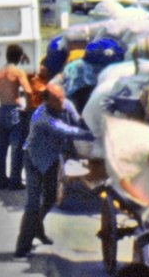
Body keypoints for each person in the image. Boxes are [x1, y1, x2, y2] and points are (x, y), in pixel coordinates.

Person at [14, 82, 92, 258]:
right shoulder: (42, 117)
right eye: (57, 100)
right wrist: (93, 135)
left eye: (62, 97)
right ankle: (23, 246)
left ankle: (37, 229)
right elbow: (68, 130)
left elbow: (77, 121)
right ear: (48, 101)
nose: (62, 102)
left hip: (51, 159)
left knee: (50, 198)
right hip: (34, 159)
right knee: (33, 203)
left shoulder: (67, 105)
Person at [0, 43, 33, 190]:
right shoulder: (18, 72)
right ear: (20, 57)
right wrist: (27, 108)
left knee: (1, 147)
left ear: (7, 56)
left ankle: (1, 180)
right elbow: (28, 91)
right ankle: (15, 180)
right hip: (15, 110)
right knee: (17, 146)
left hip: (2, 110)